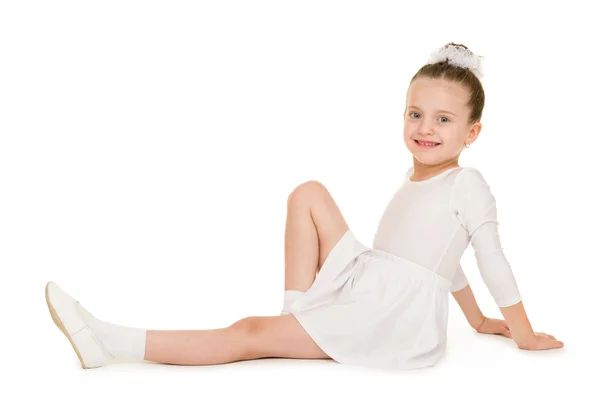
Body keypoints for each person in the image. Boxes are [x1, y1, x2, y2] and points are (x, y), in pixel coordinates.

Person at [45, 42, 564, 371]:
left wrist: (520, 331)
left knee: (246, 333)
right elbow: (446, 263)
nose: (426, 128)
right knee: (308, 193)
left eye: (444, 120)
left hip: (392, 315)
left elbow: (488, 258)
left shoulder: (467, 182)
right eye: (416, 113)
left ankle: (111, 341)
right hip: (372, 279)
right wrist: (475, 322)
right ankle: (296, 318)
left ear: (472, 132)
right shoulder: (418, 177)